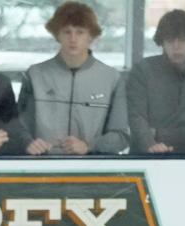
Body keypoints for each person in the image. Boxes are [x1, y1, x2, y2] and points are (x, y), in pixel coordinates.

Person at [17, 1, 128, 156]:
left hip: (93, 171)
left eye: (80, 32)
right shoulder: (35, 75)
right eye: (67, 32)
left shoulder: (111, 78)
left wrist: (89, 146)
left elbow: (121, 136)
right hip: (43, 167)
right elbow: (19, 127)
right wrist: (28, 143)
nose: (73, 39)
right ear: (57, 35)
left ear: (91, 36)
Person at [126, 10, 185, 154]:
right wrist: (150, 143)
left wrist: (159, 134)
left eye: (183, 40)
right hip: (146, 155)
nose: (176, 46)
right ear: (162, 42)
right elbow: (135, 117)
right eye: (170, 40)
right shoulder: (142, 71)